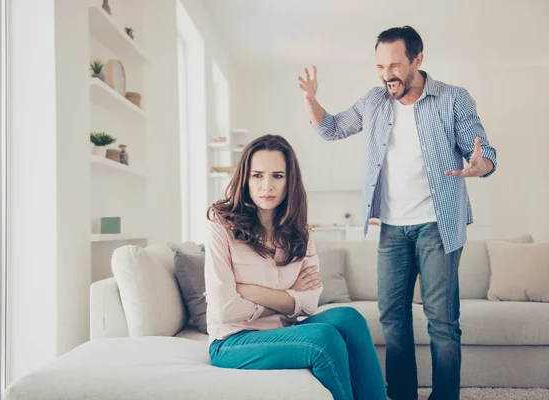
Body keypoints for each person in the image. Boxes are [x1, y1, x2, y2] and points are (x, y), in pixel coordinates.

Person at [298, 26, 497, 400]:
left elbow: (483, 151)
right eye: (379, 66)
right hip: (391, 229)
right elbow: (334, 128)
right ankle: (402, 394)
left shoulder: (453, 99)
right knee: (392, 318)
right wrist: (311, 100)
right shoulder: (374, 101)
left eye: (394, 65)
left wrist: (479, 163)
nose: (387, 74)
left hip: (439, 226)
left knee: (442, 321)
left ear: (418, 60)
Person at [205, 134, 387, 400]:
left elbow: (311, 301)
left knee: (350, 318)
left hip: (282, 330)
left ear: (290, 180)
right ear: (245, 178)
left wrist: (253, 292)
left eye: (277, 176)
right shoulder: (220, 225)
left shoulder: (300, 232)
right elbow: (224, 310)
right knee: (324, 338)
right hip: (232, 340)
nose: (267, 185)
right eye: (257, 175)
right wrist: (288, 298)